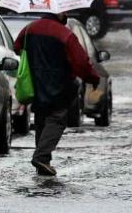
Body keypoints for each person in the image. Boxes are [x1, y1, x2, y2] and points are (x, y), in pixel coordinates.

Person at [14, 12, 100, 176]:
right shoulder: (65, 34)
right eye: (64, 12)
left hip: (35, 82)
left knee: (41, 119)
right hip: (59, 84)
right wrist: (92, 78)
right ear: (59, 13)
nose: (66, 15)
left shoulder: (29, 29)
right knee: (57, 118)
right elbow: (81, 63)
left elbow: (16, 47)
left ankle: (43, 161)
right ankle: (41, 156)